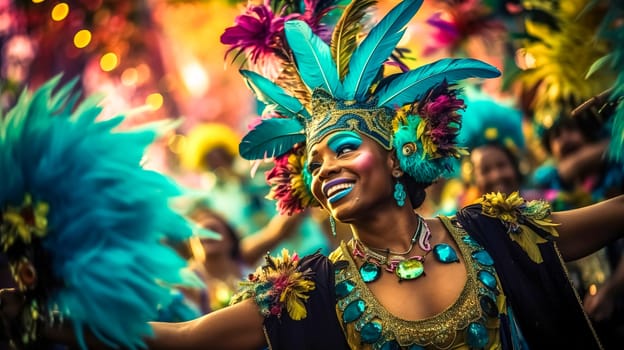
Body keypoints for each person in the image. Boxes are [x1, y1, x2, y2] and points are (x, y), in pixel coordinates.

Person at [3, 1, 624, 349]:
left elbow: (605, 221)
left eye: (343, 148)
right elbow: (188, 340)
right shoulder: (305, 290)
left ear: (398, 150)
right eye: (314, 160)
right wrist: (56, 314)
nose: (325, 168)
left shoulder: (493, 233)